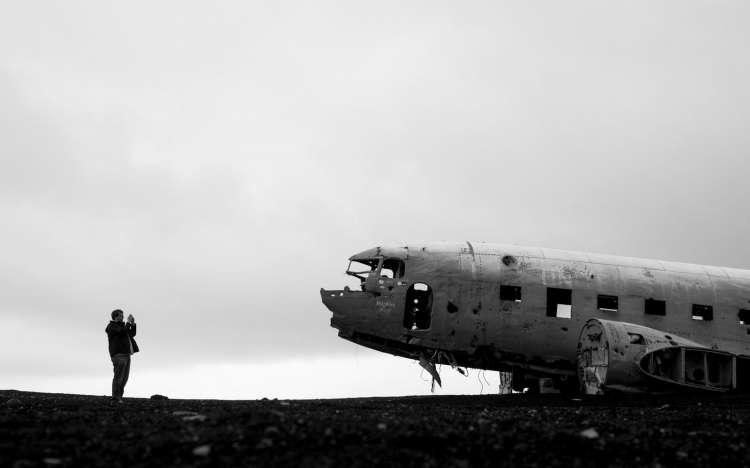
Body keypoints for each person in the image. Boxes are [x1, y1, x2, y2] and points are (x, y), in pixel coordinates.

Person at [105, 309, 139, 402]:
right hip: (119, 355)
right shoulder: (111, 326)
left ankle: (119, 397)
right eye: (121, 315)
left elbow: (132, 334)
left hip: (126, 354)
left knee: (124, 378)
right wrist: (128, 322)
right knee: (119, 376)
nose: (123, 317)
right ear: (116, 316)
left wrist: (132, 324)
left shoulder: (122, 326)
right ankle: (116, 397)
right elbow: (122, 332)